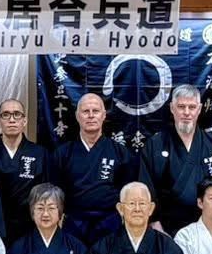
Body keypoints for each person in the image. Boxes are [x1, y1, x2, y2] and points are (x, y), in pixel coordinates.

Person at [54, 94, 148, 240]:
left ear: (104, 115)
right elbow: (56, 193)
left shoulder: (121, 153)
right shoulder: (63, 153)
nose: (91, 116)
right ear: (77, 116)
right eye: (86, 111)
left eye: (95, 111)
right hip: (73, 225)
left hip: (110, 224)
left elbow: (128, 192)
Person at [142, 84, 212, 234]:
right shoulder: (154, 145)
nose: (187, 112)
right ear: (172, 108)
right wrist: (156, 225)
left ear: (200, 109)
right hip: (165, 228)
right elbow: (145, 187)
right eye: (181, 107)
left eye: (192, 107)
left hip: (208, 228)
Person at [0, 98, 52, 246]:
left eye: (17, 114)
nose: (11, 120)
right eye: (6, 115)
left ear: (24, 121)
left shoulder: (41, 154)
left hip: (30, 229)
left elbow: (48, 194)